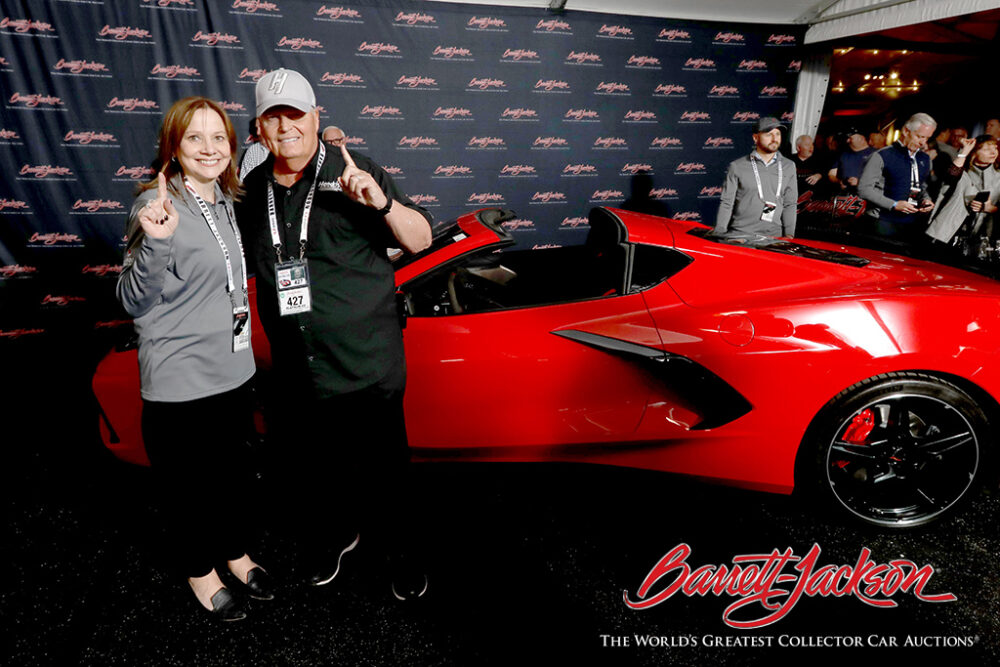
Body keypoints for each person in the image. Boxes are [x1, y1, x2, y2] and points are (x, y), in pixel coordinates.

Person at [236, 68, 433, 600]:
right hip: (300, 369)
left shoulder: (356, 172)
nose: (287, 127)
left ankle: (400, 550)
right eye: (273, 117)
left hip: (367, 364)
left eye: (296, 114)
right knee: (318, 473)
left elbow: (419, 241)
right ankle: (338, 536)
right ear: (258, 128)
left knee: (386, 474)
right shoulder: (252, 191)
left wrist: (384, 205)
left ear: (317, 117)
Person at [116, 97, 271, 622]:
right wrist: (157, 243)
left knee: (231, 477)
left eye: (218, 138)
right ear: (174, 149)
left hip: (233, 371)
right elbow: (132, 301)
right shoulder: (154, 206)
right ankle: (200, 570)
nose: (209, 149)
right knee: (188, 490)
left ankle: (234, 551)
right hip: (181, 380)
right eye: (194, 139)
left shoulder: (226, 198)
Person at [858, 112, 937, 240]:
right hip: (880, 221)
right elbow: (864, 189)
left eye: (927, 138)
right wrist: (894, 204)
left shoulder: (925, 159)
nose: (923, 142)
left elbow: (921, 186)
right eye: (920, 136)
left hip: (911, 224)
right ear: (906, 131)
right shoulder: (882, 155)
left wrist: (926, 200)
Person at [714, 116, 797, 237]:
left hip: (774, 237)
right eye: (769, 134)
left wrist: (789, 235)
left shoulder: (789, 166)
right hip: (740, 235)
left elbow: (790, 204)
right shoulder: (737, 166)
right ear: (755, 138)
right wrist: (719, 233)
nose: (774, 139)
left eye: (777, 134)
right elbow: (727, 203)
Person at [926, 134, 1000, 254]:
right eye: (987, 149)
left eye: (995, 148)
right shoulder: (963, 173)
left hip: (982, 238)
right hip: (950, 233)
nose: (993, 152)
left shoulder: (998, 178)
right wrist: (965, 150)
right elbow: (952, 174)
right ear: (974, 153)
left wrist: (992, 209)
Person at [828, 128, 874, 194]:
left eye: (851, 136)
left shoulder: (876, 154)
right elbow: (831, 174)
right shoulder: (843, 154)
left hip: (867, 197)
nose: (848, 139)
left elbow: (884, 179)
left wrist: (859, 182)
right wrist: (839, 181)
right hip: (845, 198)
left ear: (862, 138)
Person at [238, 117, 270, 181]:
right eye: (257, 128)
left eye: (261, 126)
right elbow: (244, 183)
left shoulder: (287, 148)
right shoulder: (253, 150)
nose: (258, 132)